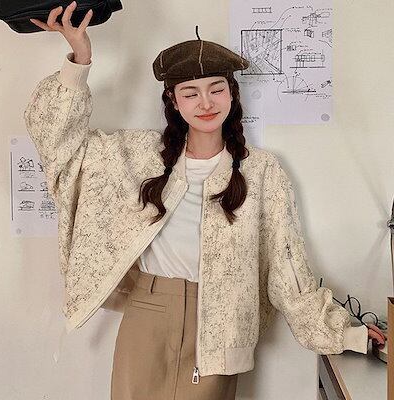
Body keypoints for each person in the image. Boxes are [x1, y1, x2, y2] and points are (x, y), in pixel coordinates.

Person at [27, 2, 386, 399]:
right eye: (190, 93)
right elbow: (59, 146)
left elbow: (288, 270)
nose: (206, 103)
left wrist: (349, 334)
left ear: (232, 94)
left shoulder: (262, 172)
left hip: (221, 324)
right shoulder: (136, 156)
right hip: (147, 314)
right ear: (173, 101)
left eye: (216, 89)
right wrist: (80, 58)